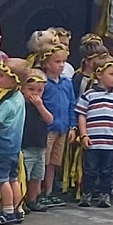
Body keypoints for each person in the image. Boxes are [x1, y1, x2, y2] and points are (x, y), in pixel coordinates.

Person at [76, 56, 113, 209]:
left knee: (107, 170)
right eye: (111, 74)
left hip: (111, 141)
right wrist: (84, 134)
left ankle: (104, 195)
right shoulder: (89, 95)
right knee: (90, 169)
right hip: (93, 140)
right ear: (99, 75)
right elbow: (82, 115)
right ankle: (86, 193)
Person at [0, 57, 28, 225]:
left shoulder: (8, 103)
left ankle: (7, 211)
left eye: (2, 75)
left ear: (13, 81)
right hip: (14, 148)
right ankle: (18, 210)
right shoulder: (19, 98)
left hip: (1, 147)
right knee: (13, 179)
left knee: (2, 180)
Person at [38, 43, 75, 208]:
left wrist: (72, 126)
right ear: (46, 63)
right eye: (57, 62)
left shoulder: (66, 83)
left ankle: (49, 191)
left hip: (63, 128)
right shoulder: (43, 83)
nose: (61, 65)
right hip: (47, 129)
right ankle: (38, 191)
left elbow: (72, 105)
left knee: (54, 162)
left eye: (63, 62)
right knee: (43, 161)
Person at [19, 69, 53, 213]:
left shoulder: (41, 105)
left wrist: (40, 106)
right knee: (24, 175)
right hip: (25, 146)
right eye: (30, 89)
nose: (35, 93)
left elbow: (50, 119)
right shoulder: (20, 104)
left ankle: (32, 199)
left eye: (39, 90)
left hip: (40, 146)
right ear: (22, 88)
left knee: (37, 176)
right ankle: (20, 200)